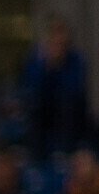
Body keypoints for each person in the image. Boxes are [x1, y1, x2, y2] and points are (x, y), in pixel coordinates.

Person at [13, 16, 87, 161]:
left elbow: (76, 90)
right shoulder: (35, 59)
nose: (57, 38)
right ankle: (36, 158)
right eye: (53, 32)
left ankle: (66, 154)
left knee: (67, 103)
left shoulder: (76, 59)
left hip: (67, 113)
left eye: (61, 32)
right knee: (33, 106)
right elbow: (30, 88)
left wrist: (59, 65)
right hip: (41, 113)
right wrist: (47, 67)